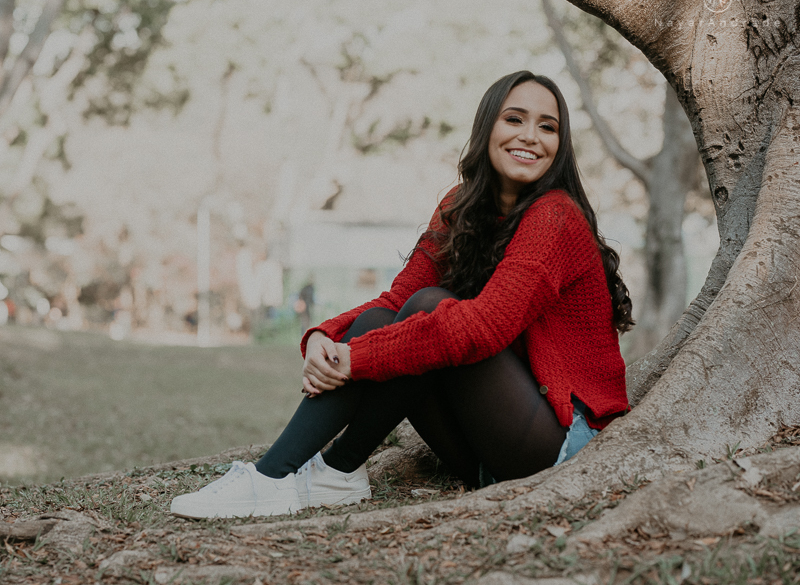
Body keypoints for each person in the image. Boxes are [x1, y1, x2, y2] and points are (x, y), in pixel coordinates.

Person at [170, 71, 634, 519]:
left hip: (561, 446)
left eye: (547, 127)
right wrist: (323, 336)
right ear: (487, 126)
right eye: (514, 119)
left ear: (560, 144)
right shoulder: (461, 206)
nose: (531, 135)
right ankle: (336, 474)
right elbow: (396, 301)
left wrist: (353, 359)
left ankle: (269, 479)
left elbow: (482, 329)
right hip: (486, 455)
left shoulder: (556, 216)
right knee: (395, 318)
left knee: (431, 311)